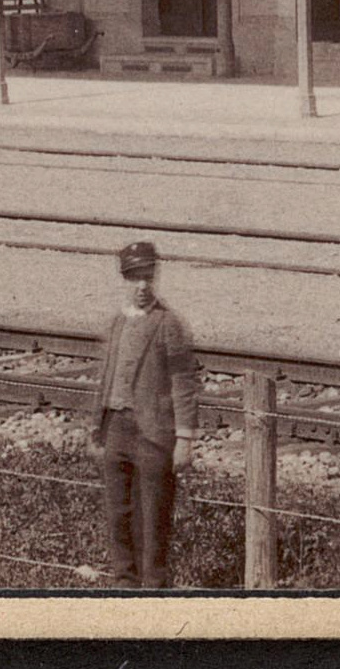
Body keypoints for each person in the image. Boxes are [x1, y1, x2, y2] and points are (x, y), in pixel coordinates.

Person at [93, 238, 200, 589]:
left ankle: (153, 596)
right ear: (122, 280)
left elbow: (184, 382)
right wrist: (98, 432)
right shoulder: (116, 324)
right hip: (115, 430)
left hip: (153, 436)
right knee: (118, 518)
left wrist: (184, 438)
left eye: (147, 277)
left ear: (156, 278)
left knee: (152, 521)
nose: (141, 286)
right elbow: (106, 379)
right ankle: (124, 590)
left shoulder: (169, 324)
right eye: (133, 278)